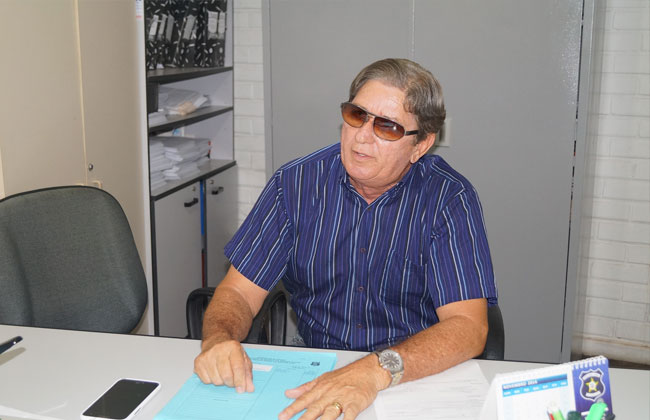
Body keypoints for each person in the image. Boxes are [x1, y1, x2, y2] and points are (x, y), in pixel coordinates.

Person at [194, 58, 498, 420]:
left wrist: (373, 371)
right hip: (316, 364)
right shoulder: (295, 184)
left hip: (409, 373)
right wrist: (219, 340)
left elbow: (468, 326)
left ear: (421, 145)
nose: (363, 136)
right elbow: (238, 292)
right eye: (357, 115)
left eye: (387, 127)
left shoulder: (448, 198)